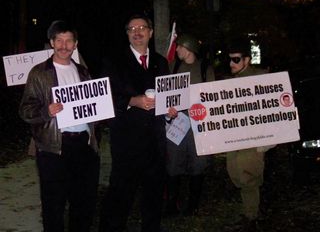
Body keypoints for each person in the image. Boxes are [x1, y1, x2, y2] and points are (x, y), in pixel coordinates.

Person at [19, 20, 100, 232]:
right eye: (59, 41)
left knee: (82, 203)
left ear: (75, 44)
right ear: (52, 43)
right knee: (53, 206)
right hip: (54, 148)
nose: (64, 46)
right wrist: (47, 111)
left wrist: (100, 112)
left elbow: (93, 108)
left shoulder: (83, 72)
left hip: (84, 145)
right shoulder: (39, 73)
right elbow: (25, 110)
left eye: (69, 41)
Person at [99, 14, 177, 232]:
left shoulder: (161, 62)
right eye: (132, 29)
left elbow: (168, 96)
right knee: (120, 198)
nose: (137, 32)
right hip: (127, 143)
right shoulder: (113, 62)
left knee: (153, 200)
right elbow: (106, 98)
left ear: (150, 33)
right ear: (127, 34)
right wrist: (134, 101)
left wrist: (170, 110)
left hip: (155, 144)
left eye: (142, 27)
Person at [165, 34, 215, 216]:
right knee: (173, 163)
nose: (176, 49)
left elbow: (212, 97)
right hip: (177, 122)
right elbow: (166, 94)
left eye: (179, 46)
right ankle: (171, 204)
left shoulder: (204, 69)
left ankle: (193, 205)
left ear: (189, 47)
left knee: (198, 163)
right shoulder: (173, 67)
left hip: (198, 123)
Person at [226, 36, 270, 228]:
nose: (231, 63)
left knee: (249, 177)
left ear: (246, 60)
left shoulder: (260, 78)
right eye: (230, 59)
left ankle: (252, 217)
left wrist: (268, 140)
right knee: (236, 174)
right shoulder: (231, 82)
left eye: (236, 59)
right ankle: (249, 212)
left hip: (253, 140)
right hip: (235, 139)